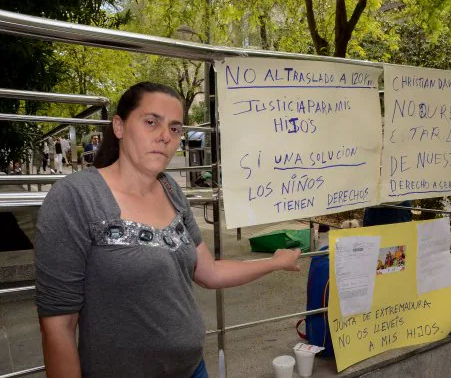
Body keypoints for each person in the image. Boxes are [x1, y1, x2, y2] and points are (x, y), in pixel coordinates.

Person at [34, 82, 301, 378]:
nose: (164, 136)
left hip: (193, 369)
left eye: (175, 129)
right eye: (151, 122)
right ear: (119, 127)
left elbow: (208, 272)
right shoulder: (76, 197)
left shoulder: (170, 189)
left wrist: (275, 262)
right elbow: (57, 326)